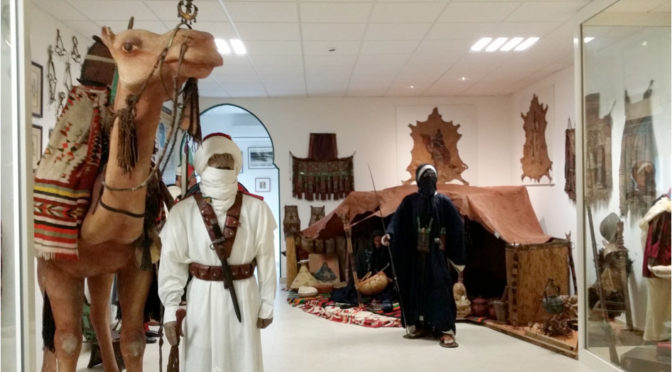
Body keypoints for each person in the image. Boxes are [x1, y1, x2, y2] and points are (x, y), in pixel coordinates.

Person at [158, 133, 277, 371]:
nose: (222, 166)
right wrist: (170, 310)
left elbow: (266, 260)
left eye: (227, 162)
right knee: (202, 358)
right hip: (201, 296)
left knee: (243, 360)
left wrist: (267, 303)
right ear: (203, 165)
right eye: (215, 161)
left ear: (236, 166)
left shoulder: (258, 209)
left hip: (244, 297)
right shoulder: (183, 213)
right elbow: (172, 265)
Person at [382, 164, 465, 348]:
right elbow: (398, 221)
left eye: (431, 176)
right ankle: (419, 325)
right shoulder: (409, 201)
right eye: (425, 176)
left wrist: (454, 252)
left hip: (435, 255)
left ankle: (445, 330)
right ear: (418, 180)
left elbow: (457, 226)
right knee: (415, 289)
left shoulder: (443, 201)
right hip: (415, 256)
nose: (428, 180)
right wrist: (390, 234)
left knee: (440, 289)